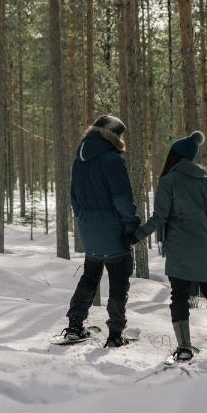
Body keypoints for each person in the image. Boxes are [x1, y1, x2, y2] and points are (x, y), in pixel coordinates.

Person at [125, 130, 207, 360]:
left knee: (179, 295)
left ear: (175, 155)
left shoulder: (169, 180)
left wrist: (137, 235)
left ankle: (185, 347)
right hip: (205, 243)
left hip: (179, 245)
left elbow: (160, 217)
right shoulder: (205, 181)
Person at [62, 114, 140, 348]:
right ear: (113, 135)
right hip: (113, 229)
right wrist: (131, 225)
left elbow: (74, 197)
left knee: (90, 275)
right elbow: (122, 198)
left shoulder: (79, 159)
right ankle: (115, 334)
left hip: (89, 229)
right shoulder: (111, 159)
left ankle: (75, 325)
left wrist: (84, 219)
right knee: (119, 279)